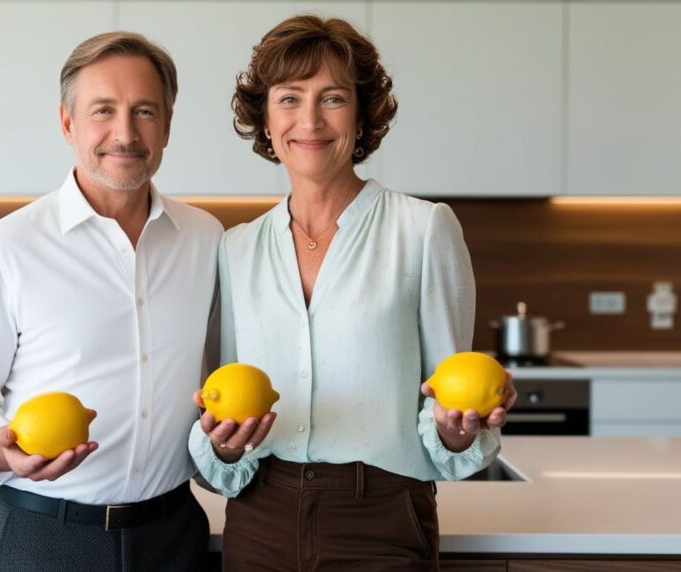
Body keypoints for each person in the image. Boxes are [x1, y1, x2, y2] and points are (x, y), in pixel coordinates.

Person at [189, 15, 518, 570]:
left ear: (362, 116)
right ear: (266, 120)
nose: (309, 120)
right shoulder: (236, 247)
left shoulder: (424, 229)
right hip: (259, 516)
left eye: (333, 98)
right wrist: (223, 444)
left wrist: (458, 433)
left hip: (382, 516)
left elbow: (450, 397)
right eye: (289, 99)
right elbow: (227, 393)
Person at [0, 31, 222, 572]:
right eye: (102, 111)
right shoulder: (6, 248)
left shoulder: (206, 239)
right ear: (68, 123)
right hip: (42, 536)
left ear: (168, 126)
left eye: (144, 111)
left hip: (174, 535)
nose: (125, 133)